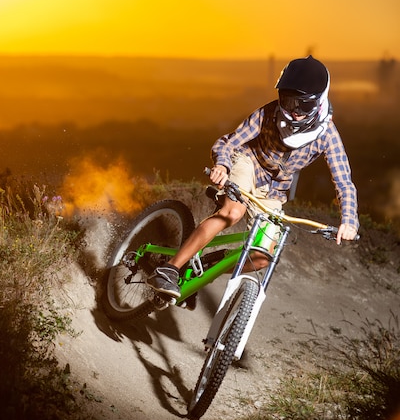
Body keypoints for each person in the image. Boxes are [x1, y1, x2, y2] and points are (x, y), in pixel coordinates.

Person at [146, 55, 359, 300]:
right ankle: (169, 269)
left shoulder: (328, 136)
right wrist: (224, 166)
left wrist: (349, 221)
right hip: (248, 163)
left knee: (262, 259)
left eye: (303, 106)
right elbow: (228, 143)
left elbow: (344, 182)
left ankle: (207, 268)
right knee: (232, 213)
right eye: (288, 102)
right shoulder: (268, 113)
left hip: (274, 190)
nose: (294, 112)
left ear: (319, 103)